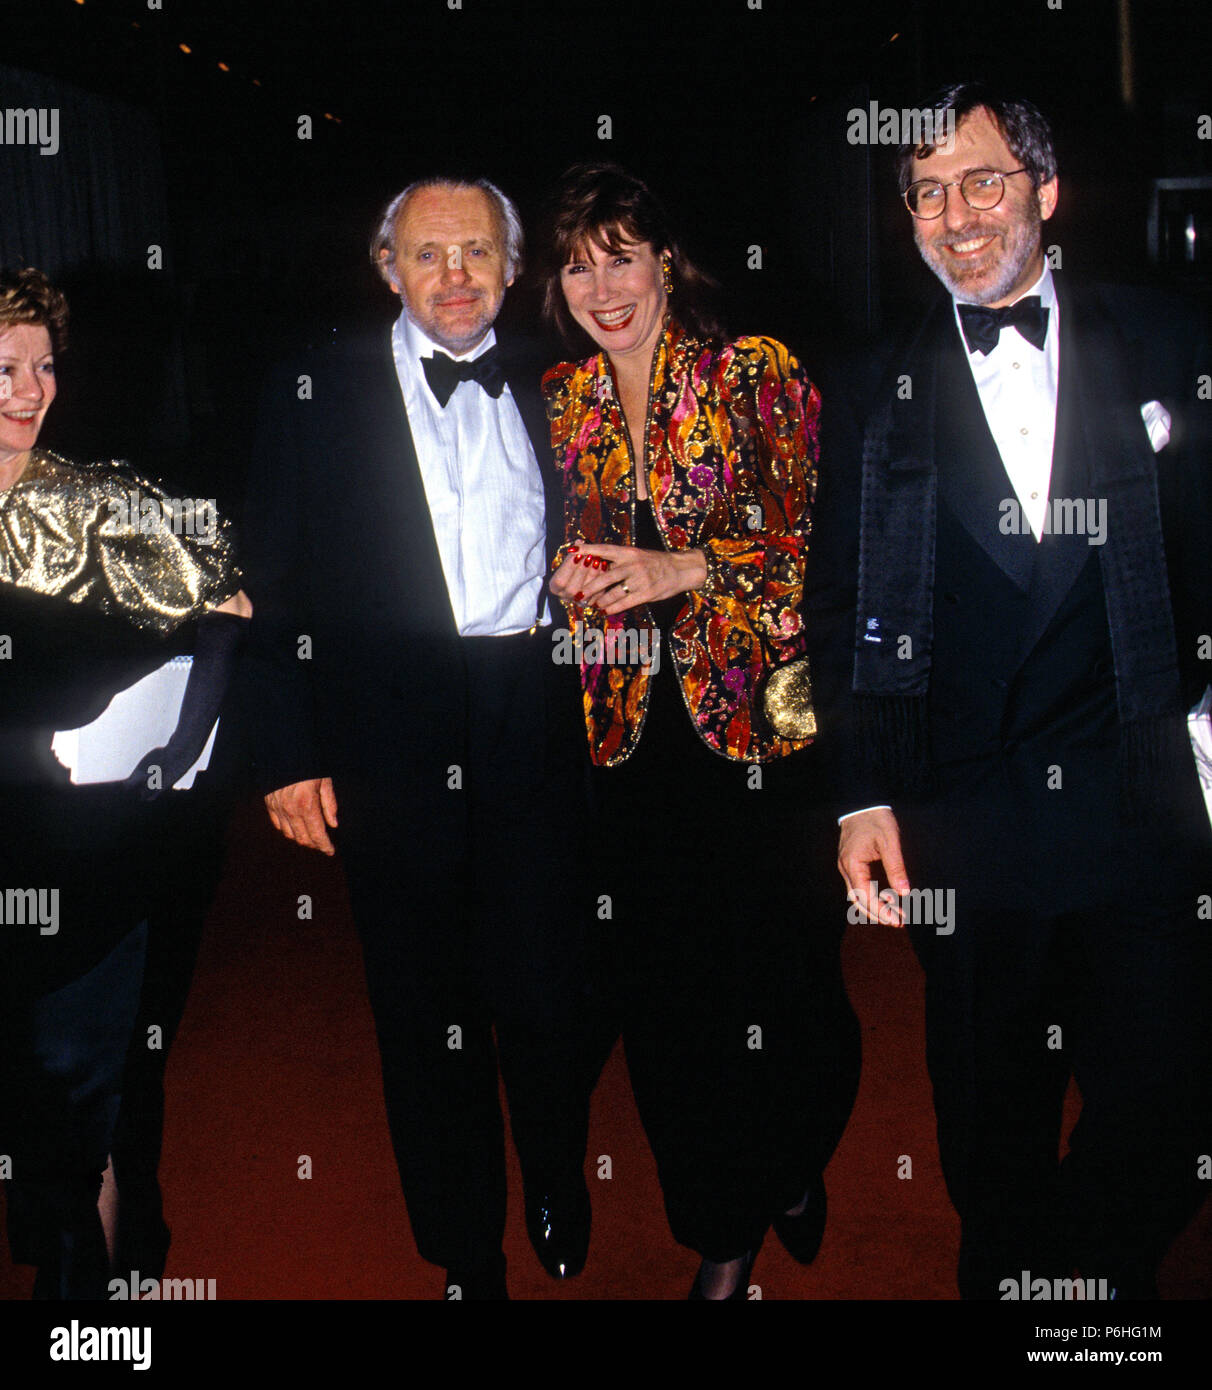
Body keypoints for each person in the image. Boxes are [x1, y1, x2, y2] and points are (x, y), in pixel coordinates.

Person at [821, 83, 1212, 1299]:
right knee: (992, 1117)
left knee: (1177, 1093)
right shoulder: (874, 386)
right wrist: (860, 796)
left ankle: (1079, 1284)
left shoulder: (1166, 339)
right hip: (966, 805)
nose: (955, 215)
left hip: (1140, 779)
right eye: (927, 195)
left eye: (982, 180)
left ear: (1046, 192)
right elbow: (840, 603)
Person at [240, 176, 607, 1299]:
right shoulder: (314, 388)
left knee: (552, 989)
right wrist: (286, 750)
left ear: (512, 266)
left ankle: (554, 1167)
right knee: (424, 1010)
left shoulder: (569, 381)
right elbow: (270, 580)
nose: (456, 276)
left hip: (535, 716)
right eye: (429, 254)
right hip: (386, 728)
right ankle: (464, 1250)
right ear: (388, 267)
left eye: (478, 252)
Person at [542, 163, 860, 1300]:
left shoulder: (751, 369)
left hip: (762, 736)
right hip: (628, 745)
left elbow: (808, 545)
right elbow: (562, 562)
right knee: (671, 1006)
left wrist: (680, 565)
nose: (603, 283)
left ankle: (795, 1148)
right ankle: (721, 1227)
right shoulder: (565, 401)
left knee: (791, 987)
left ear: (668, 258)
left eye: (622, 252)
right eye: (578, 263)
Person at [0, 266, 250, 1298]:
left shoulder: (103, 502)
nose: (31, 389)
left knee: (79, 1104)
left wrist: (167, 758)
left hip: (83, 869)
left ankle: (99, 1306)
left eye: (43, 365)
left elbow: (232, 602)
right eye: (5, 368)